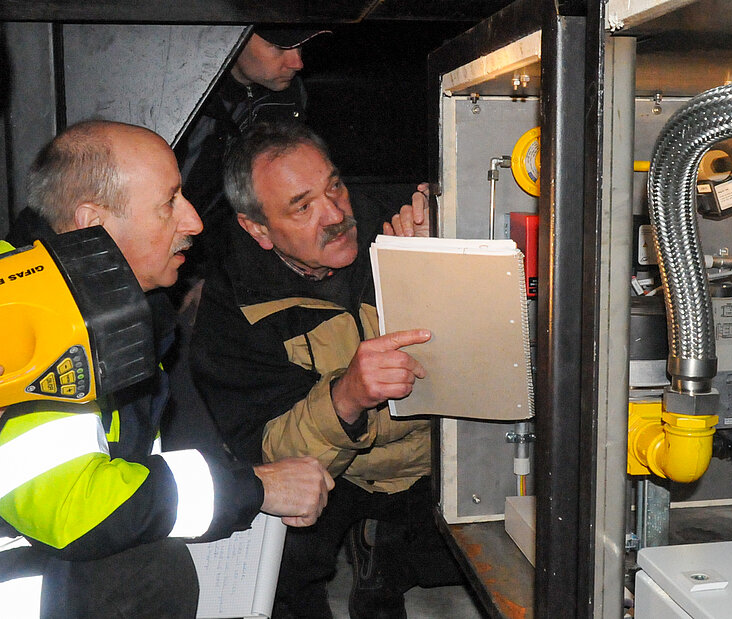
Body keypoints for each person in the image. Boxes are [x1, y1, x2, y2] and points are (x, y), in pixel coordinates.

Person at [0, 119, 335, 618]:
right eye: (169, 203)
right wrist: (255, 488)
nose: (194, 221)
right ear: (93, 224)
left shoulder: (104, 306)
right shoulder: (24, 318)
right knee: (150, 571)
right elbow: (74, 509)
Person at [189, 121, 460, 619]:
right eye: (303, 206)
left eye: (334, 185)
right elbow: (269, 454)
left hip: (438, 456)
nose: (336, 214)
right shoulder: (237, 306)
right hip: (340, 473)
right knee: (276, 567)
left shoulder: (403, 222)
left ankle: (383, 554)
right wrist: (345, 399)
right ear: (257, 229)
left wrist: (440, 259)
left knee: (484, 557)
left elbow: (503, 347)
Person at [174, 26, 329, 277]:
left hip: (222, 256)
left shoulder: (290, 98)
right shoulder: (183, 93)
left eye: (300, 47)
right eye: (279, 48)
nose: (297, 62)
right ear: (236, 39)